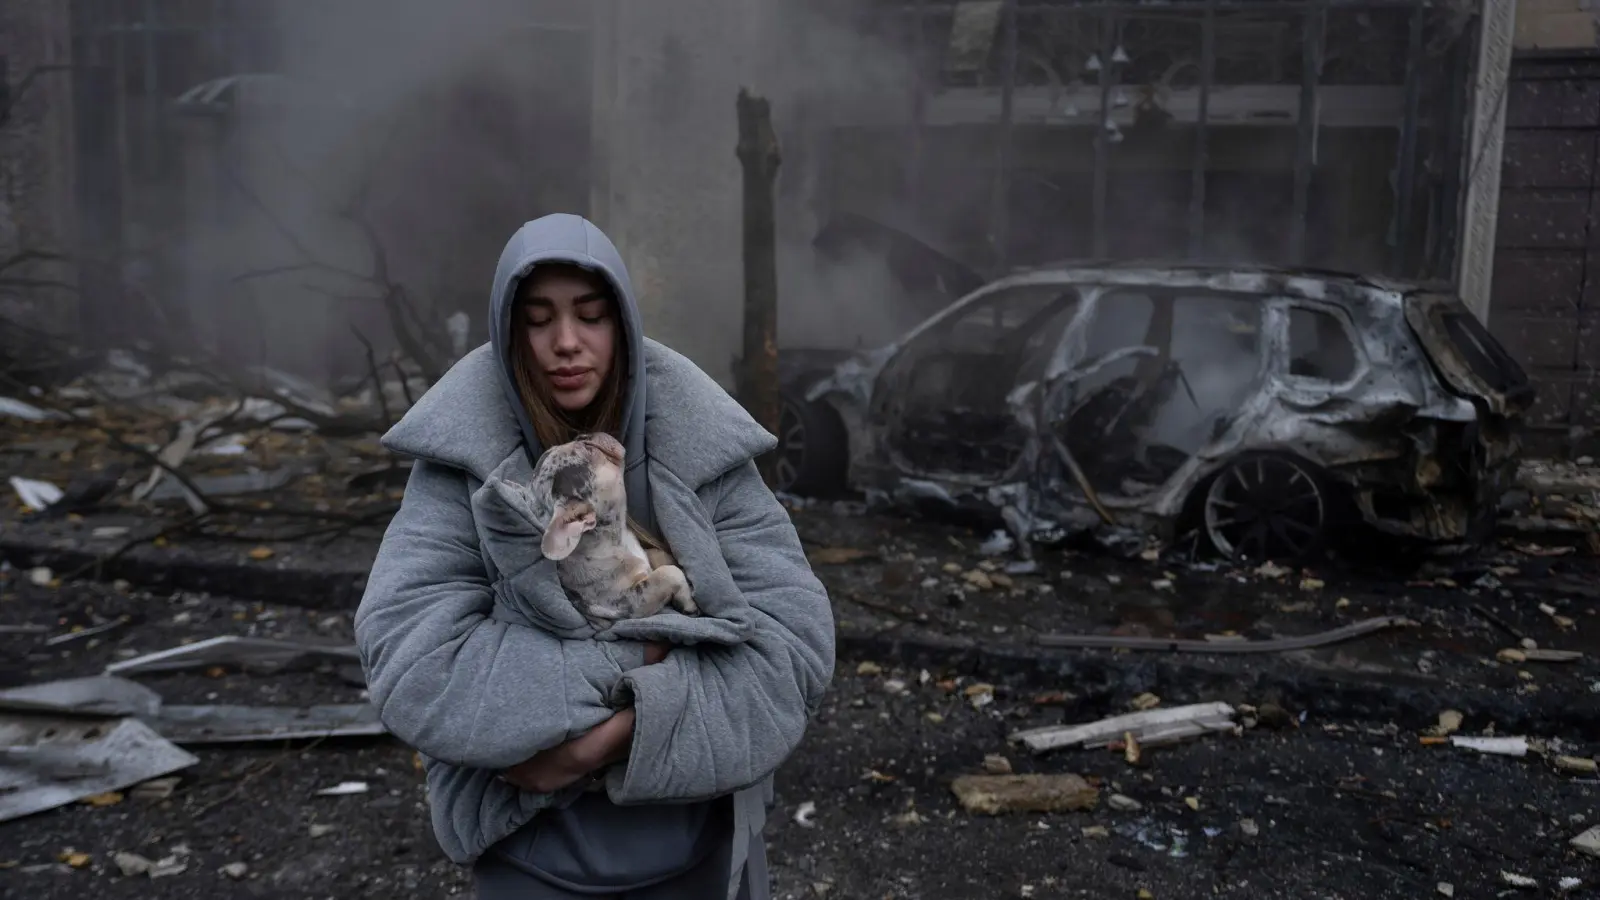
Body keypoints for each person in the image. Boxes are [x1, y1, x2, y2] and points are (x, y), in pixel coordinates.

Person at [354, 213, 836, 900]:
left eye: (591, 315)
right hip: (525, 851)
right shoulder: (458, 466)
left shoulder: (705, 452)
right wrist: (651, 654)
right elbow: (415, 664)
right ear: (507, 332)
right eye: (539, 319)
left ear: (625, 326)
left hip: (697, 846)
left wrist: (596, 746)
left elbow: (793, 657)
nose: (567, 343)